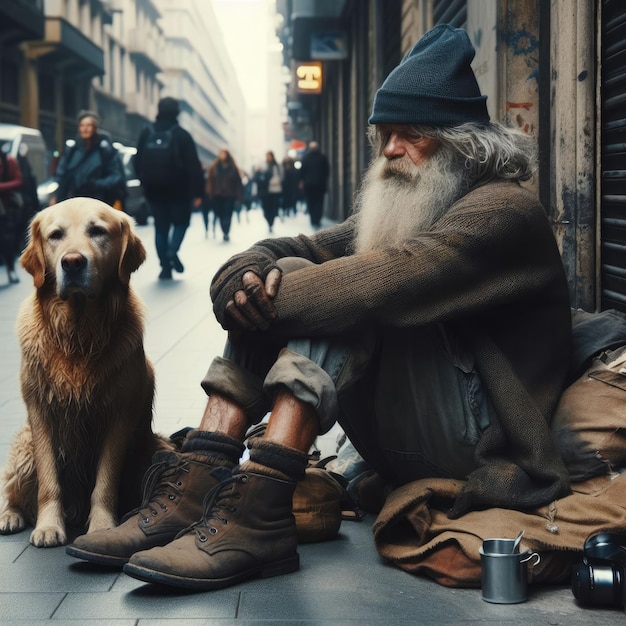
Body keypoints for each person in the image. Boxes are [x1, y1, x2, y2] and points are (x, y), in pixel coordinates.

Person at [67, 25, 573, 592]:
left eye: (410, 136)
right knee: (304, 279)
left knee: (339, 295)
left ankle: (257, 507)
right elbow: (306, 246)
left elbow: (380, 282)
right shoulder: (417, 200)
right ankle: (197, 487)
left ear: (461, 143)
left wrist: (261, 289)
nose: (390, 152)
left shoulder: (503, 212)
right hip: (401, 439)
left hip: (478, 446)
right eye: (384, 134)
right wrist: (243, 272)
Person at [135, 97, 204, 280]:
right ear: (177, 113)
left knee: (161, 228)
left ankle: (165, 267)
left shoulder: (146, 132)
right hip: (179, 190)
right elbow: (193, 166)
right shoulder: (182, 135)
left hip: (154, 190)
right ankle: (173, 251)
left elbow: (137, 160)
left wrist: (144, 181)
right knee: (181, 223)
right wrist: (198, 192)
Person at [51, 110, 126, 208]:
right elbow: (61, 175)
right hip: (74, 202)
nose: (85, 129)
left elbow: (116, 177)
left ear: (95, 127)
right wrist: (58, 196)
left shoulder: (105, 150)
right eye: (82, 125)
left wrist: (96, 185)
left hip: (100, 203)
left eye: (88, 125)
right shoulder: (72, 150)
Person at [205, 148, 244, 242]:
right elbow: (210, 181)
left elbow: (238, 183)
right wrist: (210, 193)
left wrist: (239, 196)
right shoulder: (214, 167)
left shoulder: (233, 167)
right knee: (220, 214)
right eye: (221, 153)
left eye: (224, 153)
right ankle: (224, 230)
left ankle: (226, 232)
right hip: (217, 195)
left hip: (230, 195)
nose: (222, 155)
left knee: (228, 214)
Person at [0, 148, 24, 284]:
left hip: (7, 207)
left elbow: (19, 181)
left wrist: (1, 187)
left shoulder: (9, 160)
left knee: (7, 241)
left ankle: (11, 269)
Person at [299, 140, 330, 227]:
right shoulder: (322, 158)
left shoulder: (305, 158)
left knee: (311, 203)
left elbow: (301, 172)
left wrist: (302, 181)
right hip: (319, 185)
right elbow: (326, 172)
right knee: (319, 203)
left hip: (309, 186)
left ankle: (313, 220)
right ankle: (317, 219)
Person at [255, 150, 282, 233]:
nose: (268, 158)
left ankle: (271, 222)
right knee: (265, 209)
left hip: (274, 191)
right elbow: (257, 178)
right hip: (265, 192)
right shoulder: (263, 166)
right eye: (267, 156)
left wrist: (272, 181)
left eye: (270, 156)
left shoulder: (276, 166)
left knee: (273, 208)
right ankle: (269, 221)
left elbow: (281, 177)